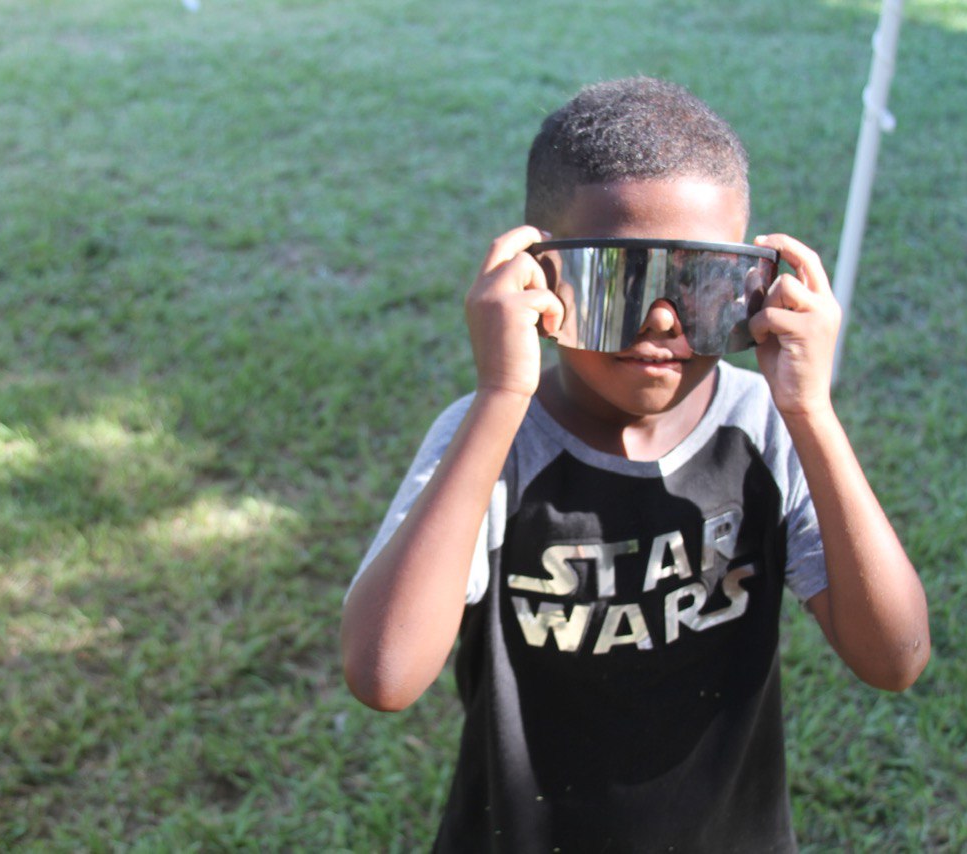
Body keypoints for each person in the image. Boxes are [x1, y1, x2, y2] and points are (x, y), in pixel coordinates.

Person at [340, 77, 930, 852]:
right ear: (536, 278)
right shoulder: (491, 442)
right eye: (619, 279)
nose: (661, 321)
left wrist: (811, 414)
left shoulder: (759, 427)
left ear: (756, 287)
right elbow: (385, 675)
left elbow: (894, 658)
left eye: (700, 282)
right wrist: (499, 394)